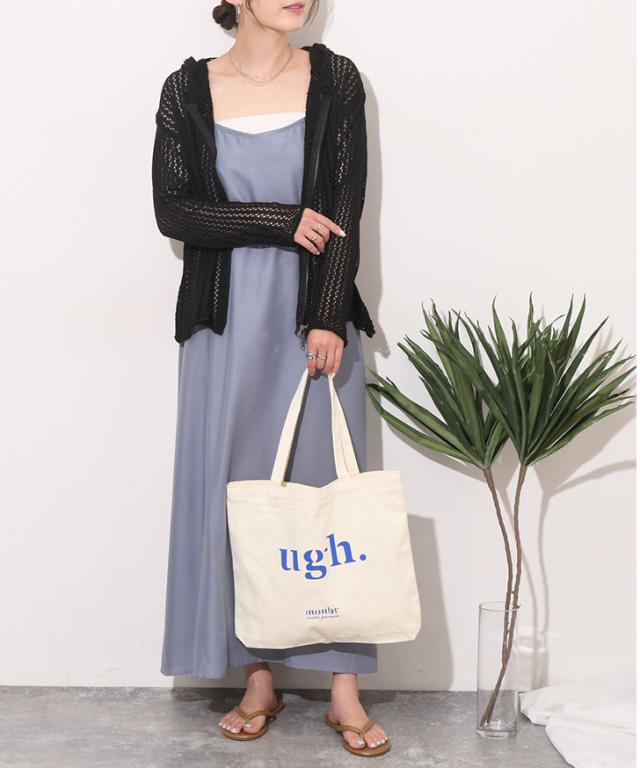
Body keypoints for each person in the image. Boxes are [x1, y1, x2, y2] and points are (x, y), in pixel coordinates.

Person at [152, 0, 388, 756]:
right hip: (223, 329)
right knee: (239, 492)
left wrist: (327, 314)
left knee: (329, 497)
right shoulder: (186, 89)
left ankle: (345, 691)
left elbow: (345, 206)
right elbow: (176, 212)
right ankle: (258, 679)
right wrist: (281, 219)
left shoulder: (336, 79)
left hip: (310, 320)